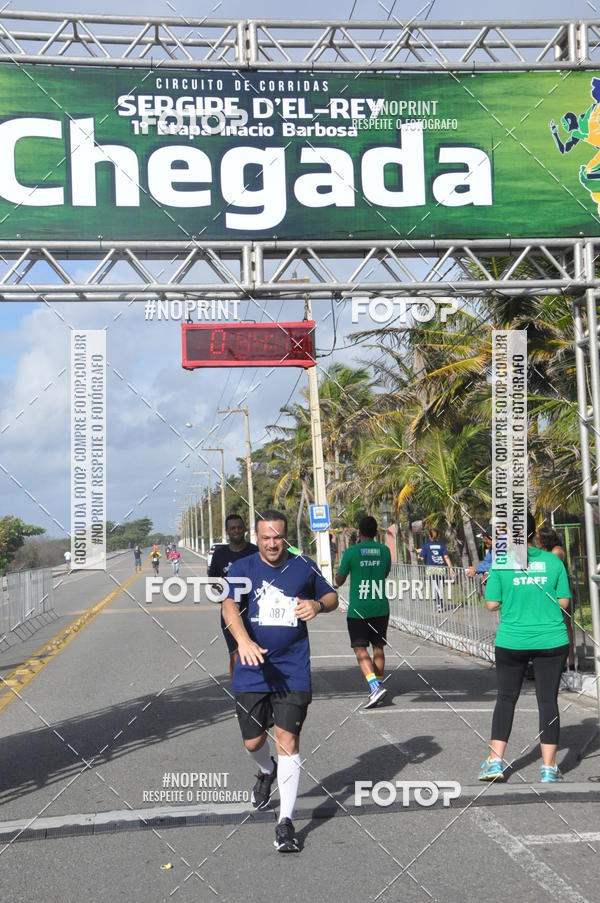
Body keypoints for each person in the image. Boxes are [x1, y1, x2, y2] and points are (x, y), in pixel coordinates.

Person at [222, 509, 338, 853]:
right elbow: (229, 607)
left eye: (278, 538)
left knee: (288, 740)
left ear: (286, 537)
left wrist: (317, 605)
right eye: (266, 538)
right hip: (252, 669)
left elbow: (332, 596)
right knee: (253, 743)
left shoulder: (303, 566)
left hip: (293, 669)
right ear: (257, 538)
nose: (272, 544)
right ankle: (265, 769)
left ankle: (285, 821)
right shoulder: (242, 568)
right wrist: (243, 641)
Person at [479, 512, 571, 783]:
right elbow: (564, 601)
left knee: (506, 698)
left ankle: (495, 762)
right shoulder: (553, 561)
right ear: (534, 533)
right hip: (551, 640)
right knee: (548, 701)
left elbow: (491, 604)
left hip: (512, 640)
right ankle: (549, 768)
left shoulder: (501, 562)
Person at [335, 516, 392, 709]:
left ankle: (375, 688)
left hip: (359, 609)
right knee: (378, 647)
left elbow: (340, 580)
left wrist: (339, 574)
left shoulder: (351, 552)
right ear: (376, 532)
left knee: (360, 648)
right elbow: (385, 573)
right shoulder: (385, 551)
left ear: (359, 532)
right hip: (380, 607)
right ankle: (378, 686)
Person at [208, 514, 258, 677]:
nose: (236, 531)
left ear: (244, 529)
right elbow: (212, 580)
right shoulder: (219, 554)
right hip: (231, 612)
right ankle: (238, 688)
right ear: (227, 531)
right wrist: (225, 589)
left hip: (256, 611)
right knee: (236, 653)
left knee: (259, 652)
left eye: (239, 527)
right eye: (232, 528)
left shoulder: (255, 552)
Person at [537, 527, 576, 671]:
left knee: (565, 625)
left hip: (561, 590)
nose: (536, 541)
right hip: (550, 590)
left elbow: (550, 566)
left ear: (545, 539)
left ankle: (570, 661)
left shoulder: (557, 551)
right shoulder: (546, 551)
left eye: (538, 538)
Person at [418, 527, 454, 612]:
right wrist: (451, 568)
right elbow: (446, 557)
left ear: (429, 536)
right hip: (441, 569)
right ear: (437, 536)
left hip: (431, 569)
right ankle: (439, 603)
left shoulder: (426, 546)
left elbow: (421, 558)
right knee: (439, 586)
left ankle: (439, 604)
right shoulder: (442, 545)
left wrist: (419, 555)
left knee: (435, 586)